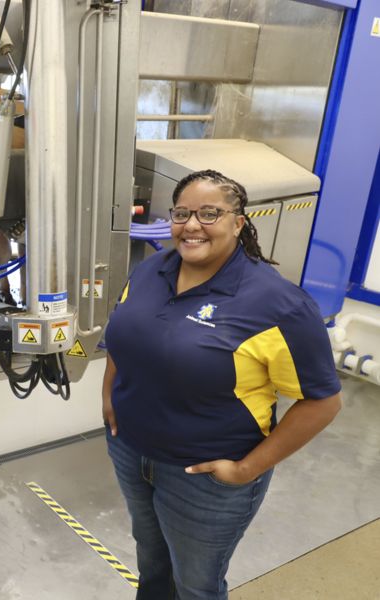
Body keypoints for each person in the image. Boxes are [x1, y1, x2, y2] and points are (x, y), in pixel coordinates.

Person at [101, 169, 341, 600]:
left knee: (196, 584)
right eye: (182, 213)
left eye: (210, 213)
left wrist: (246, 470)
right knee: (151, 563)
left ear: (238, 223)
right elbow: (121, 336)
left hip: (206, 475)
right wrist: (109, 397)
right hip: (130, 450)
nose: (192, 225)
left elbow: (322, 402)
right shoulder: (151, 269)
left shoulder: (277, 304)